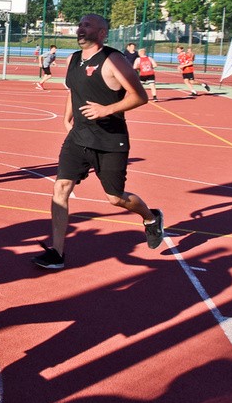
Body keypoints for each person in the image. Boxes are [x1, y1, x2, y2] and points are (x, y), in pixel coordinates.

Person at [32, 14, 164, 271]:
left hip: (110, 139)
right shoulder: (72, 59)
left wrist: (107, 109)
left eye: (87, 25)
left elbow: (140, 97)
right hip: (78, 136)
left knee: (115, 198)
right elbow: (74, 91)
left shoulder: (113, 59)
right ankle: (57, 252)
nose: (81, 28)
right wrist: (66, 118)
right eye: (80, 24)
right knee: (61, 189)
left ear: (102, 33)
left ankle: (150, 217)